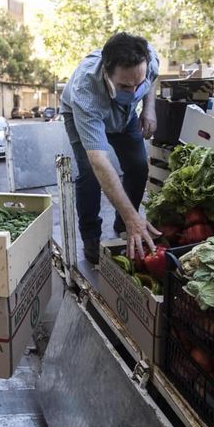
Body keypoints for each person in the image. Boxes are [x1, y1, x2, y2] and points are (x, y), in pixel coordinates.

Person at [61, 32, 161, 264]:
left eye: (138, 84)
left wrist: (148, 108)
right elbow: (99, 160)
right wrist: (133, 217)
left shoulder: (150, 59)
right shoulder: (85, 92)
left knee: (138, 167)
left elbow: (153, 79)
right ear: (106, 73)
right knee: (90, 173)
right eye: (125, 86)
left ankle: (124, 224)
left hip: (126, 117)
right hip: (83, 115)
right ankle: (91, 237)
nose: (134, 91)